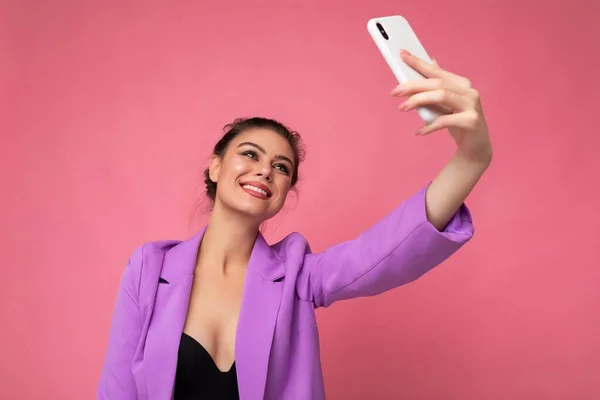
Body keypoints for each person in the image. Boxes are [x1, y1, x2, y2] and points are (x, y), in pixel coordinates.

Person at [97, 50, 492, 400]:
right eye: (249, 154)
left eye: (281, 167)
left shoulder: (297, 275)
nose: (264, 170)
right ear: (215, 167)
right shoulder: (150, 268)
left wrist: (470, 159)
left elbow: (383, 251)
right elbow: (117, 391)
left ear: (286, 189)